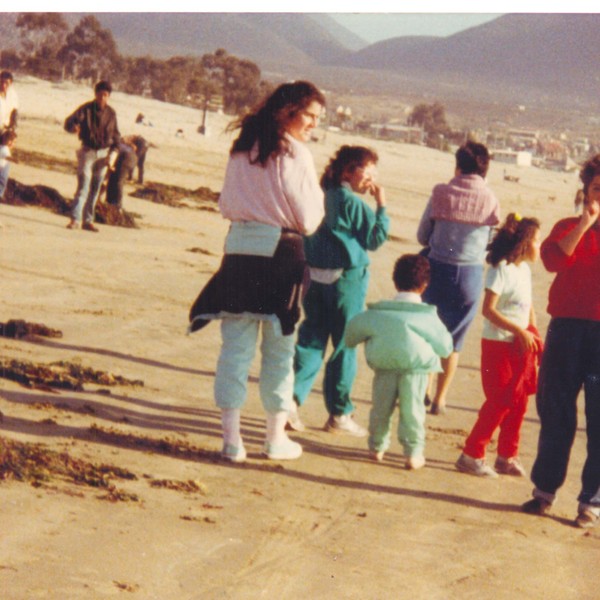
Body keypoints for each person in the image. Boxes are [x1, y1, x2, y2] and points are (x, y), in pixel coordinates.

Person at [188, 81, 326, 462]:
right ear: (288, 111)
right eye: (310, 115)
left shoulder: (241, 147)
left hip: (238, 249)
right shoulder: (295, 152)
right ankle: (274, 438)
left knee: (234, 348)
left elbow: (226, 202)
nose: (314, 124)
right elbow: (310, 219)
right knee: (280, 350)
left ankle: (232, 441)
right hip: (281, 251)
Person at [522, 155, 600, 529]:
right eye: (598, 188)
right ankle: (545, 492)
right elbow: (553, 262)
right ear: (585, 191)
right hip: (567, 329)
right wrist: (584, 225)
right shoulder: (567, 226)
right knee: (557, 413)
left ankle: (590, 504)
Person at [292, 145, 389, 436]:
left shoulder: (320, 195)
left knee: (311, 340)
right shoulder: (352, 203)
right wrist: (382, 206)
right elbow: (374, 239)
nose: (371, 178)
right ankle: (339, 413)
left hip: (314, 276)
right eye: (367, 171)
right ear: (349, 171)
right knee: (344, 345)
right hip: (346, 281)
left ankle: (289, 402)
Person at [345, 254, 453, 469]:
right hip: (415, 370)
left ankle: (376, 447)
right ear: (424, 285)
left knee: (380, 409)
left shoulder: (378, 313)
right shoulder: (428, 316)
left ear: (395, 281)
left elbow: (351, 334)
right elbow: (446, 347)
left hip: (384, 367)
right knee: (413, 411)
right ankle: (413, 453)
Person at [456, 214, 543, 478]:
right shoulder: (501, 269)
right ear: (526, 243)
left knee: (519, 402)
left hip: (522, 344)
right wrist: (517, 330)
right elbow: (488, 310)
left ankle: (506, 456)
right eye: (537, 241)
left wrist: (533, 332)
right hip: (498, 344)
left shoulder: (524, 270)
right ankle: (471, 454)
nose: (539, 246)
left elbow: (528, 308)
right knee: (500, 401)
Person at [417, 141, 500, 415]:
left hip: (436, 268)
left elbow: (421, 235)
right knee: (454, 340)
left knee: (430, 333)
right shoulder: (490, 198)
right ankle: (440, 399)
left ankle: (424, 391)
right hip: (470, 276)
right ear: (485, 169)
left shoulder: (441, 192)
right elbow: (488, 241)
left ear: (457, 165)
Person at [64, 80, 120, 232]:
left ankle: (88, 221)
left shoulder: (111, 114)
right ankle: (75, 219)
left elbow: (116, 136)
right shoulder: (86, 109)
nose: (102, 97)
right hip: (87, 152)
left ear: (109, 96)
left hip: (103, 155)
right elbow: (68, 122)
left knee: (95, 189)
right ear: (95, 94)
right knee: (83, 186)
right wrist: (73, 127)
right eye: (100, 94)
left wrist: (113, 153)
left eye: (105, 95)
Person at [105, 138, 138, 209]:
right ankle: (110, 201)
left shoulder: (116, 146)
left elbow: (113, 155)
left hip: (126, 160)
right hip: (133, 159)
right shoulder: (124, 146)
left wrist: (110, 165)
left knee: (118, 182)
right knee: (113, 179)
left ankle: (117, 203)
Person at [0, 128, 16, 199]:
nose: (13, 144)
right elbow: (6, 156)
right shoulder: (4, 148)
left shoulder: (2, 147)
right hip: (2, 169)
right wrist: (14, 160)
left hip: (2, 167)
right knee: (2, 182)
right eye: (12, 142)